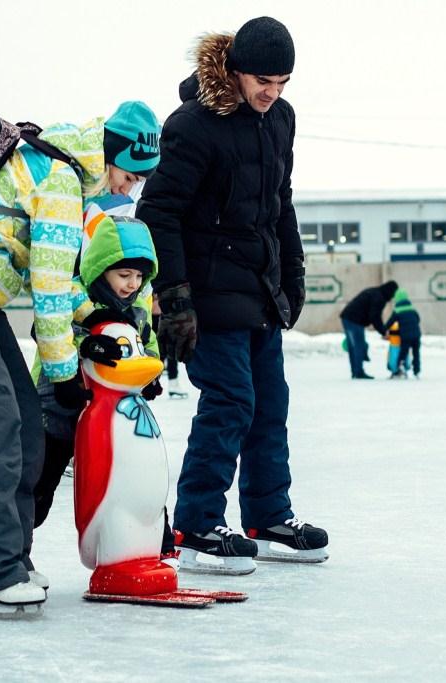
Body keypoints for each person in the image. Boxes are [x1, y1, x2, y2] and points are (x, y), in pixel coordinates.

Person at [0, 112, 149, 610]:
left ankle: (14, 558)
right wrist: (63, 375)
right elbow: (50, 288)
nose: (130, 190)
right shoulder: (59, 184)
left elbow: (52, 280)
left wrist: (94, 317)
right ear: (109, 159)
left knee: (27, 426)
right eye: (128, 176)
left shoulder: (59, 170)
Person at [137, 16, 329, 575]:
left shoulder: (281, 120)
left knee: (270, 404)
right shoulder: (194, 125)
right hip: (207, 291)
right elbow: (159, 212)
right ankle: (197, 524)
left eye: (283, 82)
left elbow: (280, 204)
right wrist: (174, 298)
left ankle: (268, 516)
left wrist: (291, 275)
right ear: (236, 70)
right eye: (263, 81)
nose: (272, 93)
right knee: (230, 402)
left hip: (258, 289)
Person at [33, 206, 179, 566]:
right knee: (41, 481)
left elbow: (147, 344)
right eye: (123, 274)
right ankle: (16, 551)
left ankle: (156, 546)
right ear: (101, 269)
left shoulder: (139, 304)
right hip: (61, 404)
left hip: (115, 415)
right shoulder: (76, 294)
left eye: (138, 277)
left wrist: (151, 376)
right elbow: (46, 329)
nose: (131, 284)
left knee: (137, 474)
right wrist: (85, 343)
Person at [340, 281, 399, 380]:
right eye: (393, 294)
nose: (392, 297)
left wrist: (382, 330)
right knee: (359, 345)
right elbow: (374, 316)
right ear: (390, 291)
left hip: (347, 317)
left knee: (353, 346)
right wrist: (383, 331)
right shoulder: (379, 298)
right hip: (354, 320)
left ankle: (356, 371)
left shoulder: (375, 292)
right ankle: (358, 372)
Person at [384, 288, 422, 378]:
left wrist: (383, 330)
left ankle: (400, 368)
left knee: (403, 352)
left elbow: (389, 323)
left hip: (406, 336)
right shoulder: (412, 309)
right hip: (416, 335)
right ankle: (416, 371)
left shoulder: (397, 311)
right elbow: (418, 319)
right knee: (416, 353)